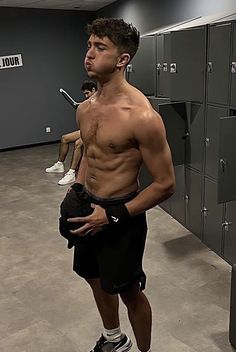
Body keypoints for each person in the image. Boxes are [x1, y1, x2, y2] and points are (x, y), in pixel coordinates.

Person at [59, 18, 175, 352]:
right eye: (89, 45)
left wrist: (112, 215)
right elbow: (90, 154)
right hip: (88, 207)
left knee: (129, 290)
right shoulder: (86, 108)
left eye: (100, 47)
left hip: (120, 216)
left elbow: (165, 184)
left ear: (122, 59)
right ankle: (114, 338)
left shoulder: (141, 117)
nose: (89, 54)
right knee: (93, 278)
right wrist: (76, 189)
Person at [45, 80, 97, 185]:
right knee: (64, 138)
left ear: (94, 90)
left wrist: (81, 105)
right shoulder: (89, 102)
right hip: (87, 129)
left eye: (87, 93)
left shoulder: (101, 99)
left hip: (97, 130)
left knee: (78, 144)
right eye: (85, 94)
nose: (86, 96)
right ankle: (59, 165)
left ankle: (71, 173)